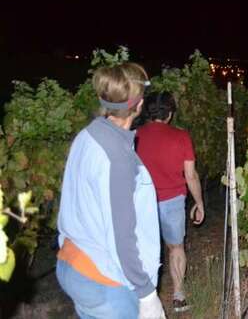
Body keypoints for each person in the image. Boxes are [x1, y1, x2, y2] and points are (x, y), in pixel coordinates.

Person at [56, 63, 166, 319]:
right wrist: (146, 293)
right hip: (104, 279)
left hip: (74, 262)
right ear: (138, 106)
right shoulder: (117, 158)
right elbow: (122, 236)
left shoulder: (87, 135)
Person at [136, 92, 205, 313]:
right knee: (176, 248)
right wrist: (199, 202)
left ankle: (145, 300)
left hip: (142, 202)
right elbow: (191, 175)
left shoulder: (135, 135)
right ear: (170, 113)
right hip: (173, 202)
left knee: (144, 250)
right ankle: (178, 296)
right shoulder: (181, 137)